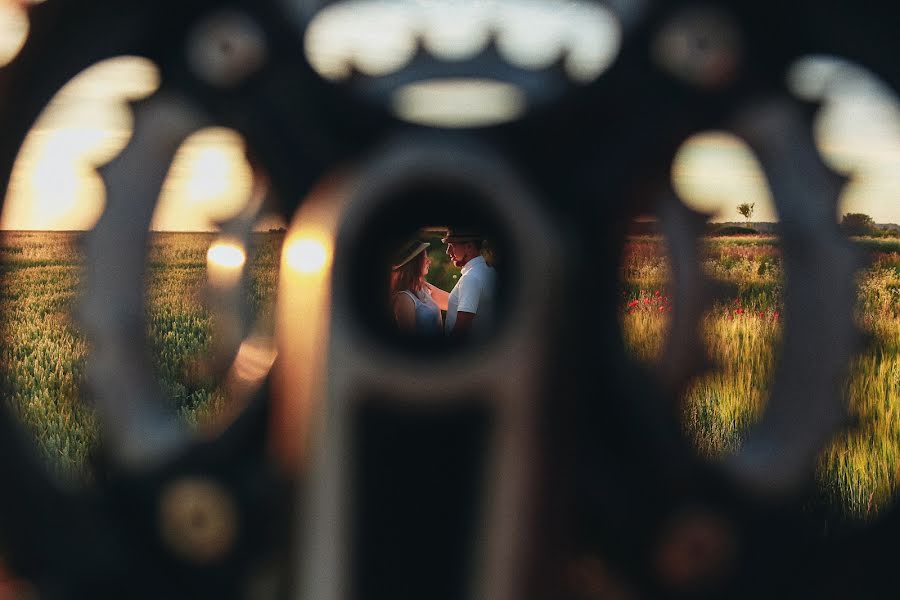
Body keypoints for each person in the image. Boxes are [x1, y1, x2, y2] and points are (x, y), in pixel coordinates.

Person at [426, 229, 496, 338]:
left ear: (468, 247)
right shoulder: (487, 270)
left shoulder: (471, 278)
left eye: (452, 246)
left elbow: (461, 329)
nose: (447, 251)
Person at [390, 239, 443, 335]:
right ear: (415, 263)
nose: (429, 261)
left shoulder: (424, 289)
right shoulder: (403, 298)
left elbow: (453, 301)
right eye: (425, 257)